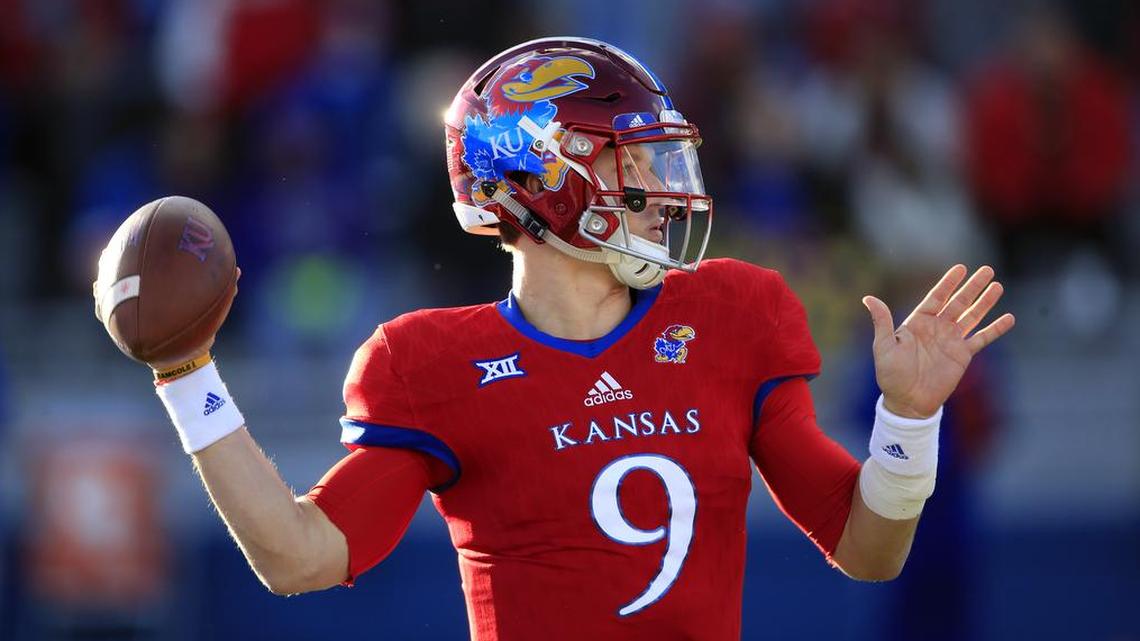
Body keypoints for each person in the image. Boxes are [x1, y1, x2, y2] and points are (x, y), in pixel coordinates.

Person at [97, 37, 1015, 640]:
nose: (664, 185)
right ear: (547, 179)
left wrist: (907, 420)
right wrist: (186, 373)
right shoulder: (428, 364)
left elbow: (867, 548)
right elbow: (299, 556)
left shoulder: (734, 313)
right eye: (631, 158)